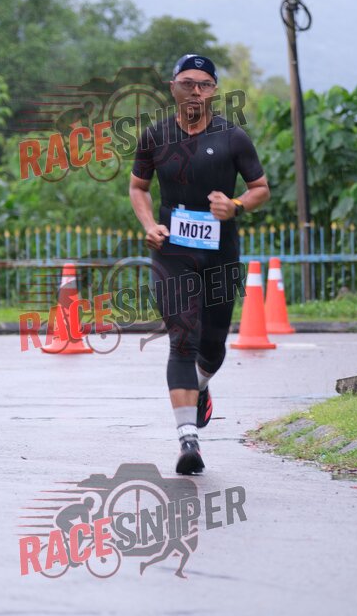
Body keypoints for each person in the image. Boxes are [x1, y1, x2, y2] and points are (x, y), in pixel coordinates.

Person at [129, 54, 270, 474]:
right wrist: (150, 225)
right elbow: (138, 187)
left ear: (214, 91)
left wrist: (237, 205)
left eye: (204, 84)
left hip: (220, 252)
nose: (196, 91)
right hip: (171, 251)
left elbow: (261, 188)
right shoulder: (155, 136)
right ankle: (187, 439)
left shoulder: (233, 137)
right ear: (172, 86)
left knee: (212, 345)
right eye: (188, 82)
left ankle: (201, 387)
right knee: (182, 340)